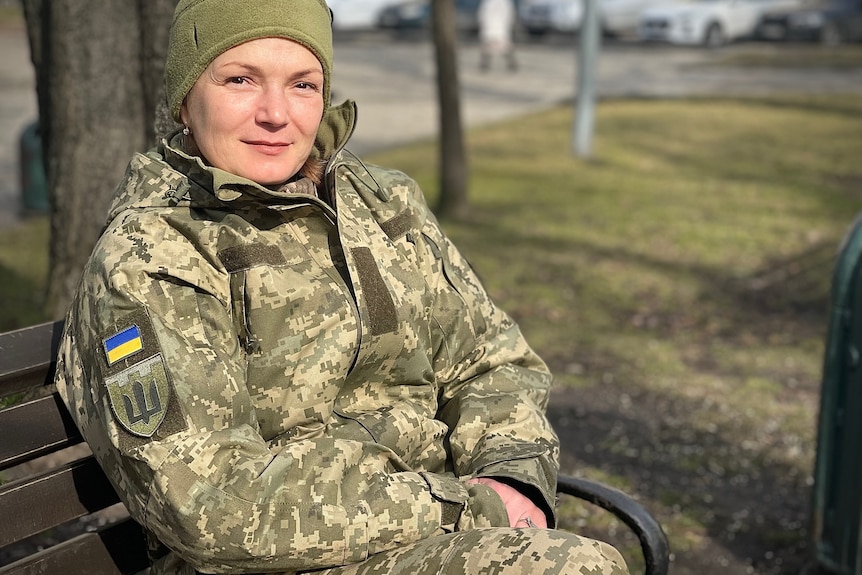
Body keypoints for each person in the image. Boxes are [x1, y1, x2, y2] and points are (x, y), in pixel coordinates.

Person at [54, 1, 629, 574]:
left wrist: (512, 477)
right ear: (186, 98)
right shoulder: (153, 256)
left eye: (303, 85)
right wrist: (467, 507)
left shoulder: (378, 204)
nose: (276, 113)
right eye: (240, 80)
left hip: (429, 530)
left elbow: (489, 360)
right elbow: (211, 506)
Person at [478, 0, 518, 72]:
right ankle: (484, 64)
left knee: (504, 47)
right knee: (488, 47)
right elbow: (483, 15)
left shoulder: (504, 2)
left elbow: (509, 15)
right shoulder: (488, 2)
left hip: (500, 28)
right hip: (491, 28)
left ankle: (512, 64)